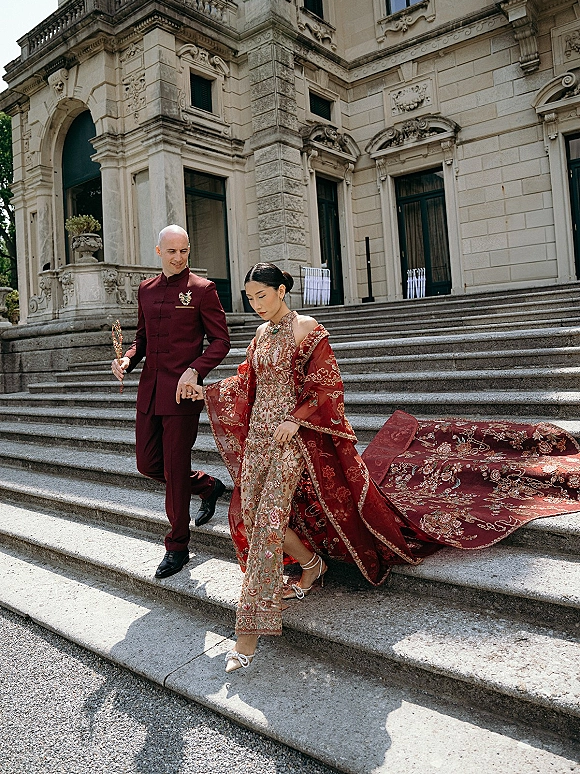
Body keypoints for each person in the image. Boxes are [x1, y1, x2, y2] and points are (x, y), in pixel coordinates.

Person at [204, 263, 580, 674]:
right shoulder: (259, 336)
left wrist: (297, 417)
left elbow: (328, 385)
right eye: (249, 298)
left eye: (261, 295)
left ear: (281, 290)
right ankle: (313, 566)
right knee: (256, 516)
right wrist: (205, 390)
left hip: (294, 441)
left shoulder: (306, 328)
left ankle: (248, 634)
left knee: (269, 521)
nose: (256, 304)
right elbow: (247, 384)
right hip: (260, 439)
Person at [112, 225, 230, 579]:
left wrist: (196, 370)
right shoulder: (146, 290)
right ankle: (209, 486)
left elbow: (220, 341)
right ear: (159, 251)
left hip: (182, 395)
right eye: (172, 251)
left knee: (176, 472)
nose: (179, 258)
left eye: (184, 251)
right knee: (148, 465)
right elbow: (142, 339)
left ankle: (177, 546)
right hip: (149, 392)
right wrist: (128, 359)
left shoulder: (202, 290)